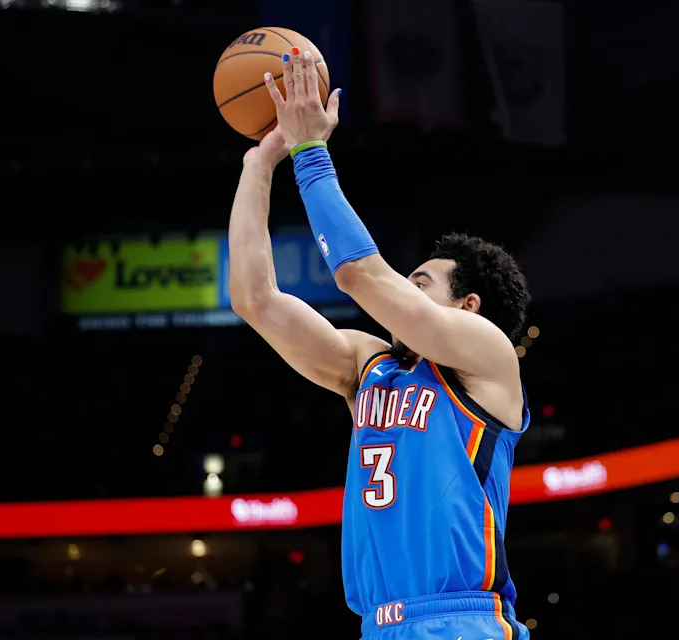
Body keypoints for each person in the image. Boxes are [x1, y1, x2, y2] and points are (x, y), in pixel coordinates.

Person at [228, 45, 531, 640]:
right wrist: (258, 167)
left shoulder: (486, 355)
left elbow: (357, 273)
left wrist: (309, 152)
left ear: (468, 306)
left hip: (463, 620)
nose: (401, 293)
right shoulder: (368, 366)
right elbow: (254, 299)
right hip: (378, 624)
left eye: (419, 283)